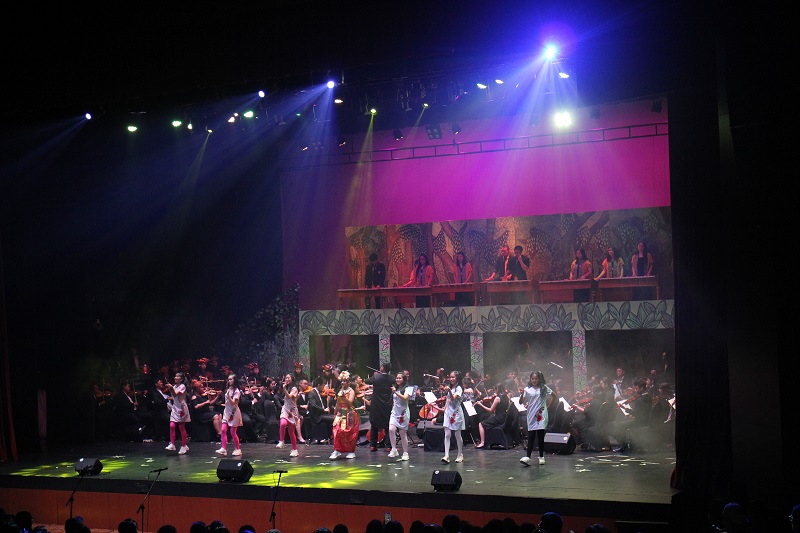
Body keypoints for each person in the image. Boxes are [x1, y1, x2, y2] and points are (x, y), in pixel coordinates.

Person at [519, 370, 554, 466]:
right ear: (530, 379)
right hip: (531, 414)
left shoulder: (543, 388)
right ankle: (528, 457)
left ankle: (541, 456)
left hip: (541, 414)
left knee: (540, 436)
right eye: (532, 379)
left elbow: (554, 396)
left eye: (536, 379)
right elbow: (520, 402)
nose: (534, 380)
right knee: (531, 436)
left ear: (539, 379)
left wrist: (548, 407)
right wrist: (522, 394)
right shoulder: (527, 389)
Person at [329, 370, 359, 459]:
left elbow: (350, 403)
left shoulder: (351, 391)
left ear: (349, 382)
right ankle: (337, 450)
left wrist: (344, 398)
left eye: (345, 381)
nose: (342, 383)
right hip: (340, 413)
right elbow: (338, 403)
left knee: (350, 432)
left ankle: (351, 451)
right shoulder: (340, 390)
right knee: (336, 431)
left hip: (349, 413)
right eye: (342, 381)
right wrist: (335, 412)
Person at [367, 362, 394, 451]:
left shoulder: (376, 377)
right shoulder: (392, 378)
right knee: (387, 425)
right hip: (387, 403)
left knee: (374, 424)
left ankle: (373, 445)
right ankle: (389, 446)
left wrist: (375, 376)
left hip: (376, 404)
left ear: (382, 368)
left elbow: (367, 381)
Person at [474, 382, 509, 448]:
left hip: (498, 418)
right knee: (488, 419)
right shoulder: (506, 397)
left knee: (481, 424)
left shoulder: (497, 398)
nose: (494, 392)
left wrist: (480, 404)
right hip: (504, 417)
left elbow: (490, 410)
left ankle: (482, 442)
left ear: (497, 389)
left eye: (495, 390)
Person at [215, 373, 243, 456]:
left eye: (231, 379)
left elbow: (233, 402)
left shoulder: (236, 391)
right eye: (228, 379)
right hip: (227, 412)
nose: (229, 381)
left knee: (232, 432)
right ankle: (223, 448)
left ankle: (238, 449)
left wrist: (228, 395)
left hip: (234, 412)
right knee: (223, 430)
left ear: (234, 380)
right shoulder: (228, 389)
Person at [388, 372, 413, 461]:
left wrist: (395, 392)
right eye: (397, 378)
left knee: (402, 433)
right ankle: (394, 449)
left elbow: (405, 398)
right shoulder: (396, 388)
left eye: (400, 378)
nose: (398, 379)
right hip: (395, 412)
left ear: (404, 379)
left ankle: (405, 453)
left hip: (403, 413)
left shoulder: (408, 388)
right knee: (391, 429)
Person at [441, 370, 465, 463]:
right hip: (448, 412)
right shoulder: (450, 387)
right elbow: (448, 399)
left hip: (456, 412)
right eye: (450, 377)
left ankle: (460, 454)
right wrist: (445, 408)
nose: (451, 379)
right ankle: (446, 455)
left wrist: (449, 390)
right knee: (447, 434)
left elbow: (453, 398)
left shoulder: (459, 388)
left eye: (453, 377)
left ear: (457, 378)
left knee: (457, 434)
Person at [164, 372, 190, 454]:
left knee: (181, 427)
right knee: (172, 425)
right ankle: (172, 444)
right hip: (175, 407)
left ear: (181, 379)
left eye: (177, 376)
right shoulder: (175, 386)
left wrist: (171, 388)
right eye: (175, 376)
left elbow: (175, 395)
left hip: (181, 408)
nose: (175, 377)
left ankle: (184, 446)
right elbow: (173, 396)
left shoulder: (182, 386)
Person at [276, 373, 300, 457]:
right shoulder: (287, 388)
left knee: (291, 432)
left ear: (292, 379)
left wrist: (284, 388)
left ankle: (294, 449)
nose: (287, 379)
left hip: (292, 411)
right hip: (285, 408)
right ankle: (281, 441)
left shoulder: (294, 388)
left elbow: (289, 396)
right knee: (283, 423)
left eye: (288, 377)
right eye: (286, 378)